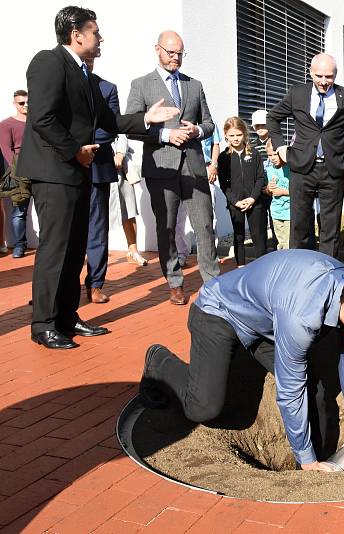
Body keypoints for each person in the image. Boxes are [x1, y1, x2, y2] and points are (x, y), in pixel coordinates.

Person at [139, 249, 344, 471]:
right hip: (220, 312)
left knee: (314, 384)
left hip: (265, 323)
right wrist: (306, 461)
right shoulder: (302, 317)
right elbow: (290, 390)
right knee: (205, 407)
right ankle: (159, 362)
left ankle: (320, 453)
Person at [17, 6, 178, 350]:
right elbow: (42, 119)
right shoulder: (48, 61)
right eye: (95, 31)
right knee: (55, 250)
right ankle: (43, 324)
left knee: (76, 249)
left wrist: (145, 118)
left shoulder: (86, 75)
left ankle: (67, 317)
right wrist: (75, 150)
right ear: (76, 35)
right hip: (55, 171)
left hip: (78, 172)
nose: (100, 38)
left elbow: (110, 120)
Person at [126, 30, 219, 306]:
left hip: (193, 165)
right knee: (166, 228)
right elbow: (132, 127)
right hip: (161, 167)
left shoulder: (194, 85)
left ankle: (213, 282)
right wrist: (165, 135)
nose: (176, 57)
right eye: (170, 52)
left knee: (204, 225)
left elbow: (210, 124)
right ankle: (175, 282)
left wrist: (197, 131)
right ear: (157, 49)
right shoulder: (141, 84)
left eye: (180, 53)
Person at [265, 53, 344, 257]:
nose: (324, 81)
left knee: (330, 228)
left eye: (329, 77)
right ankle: (300, 271)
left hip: (334, 169)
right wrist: (280, 148)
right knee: (300, 225)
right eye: (319, 76)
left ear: (336, 75)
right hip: (301, 167)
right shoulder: (297, 94)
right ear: (310, 73)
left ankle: (327, 273)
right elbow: (273, 118)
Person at [83, 56, 119, 304]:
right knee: (63, 232)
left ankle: (95, 283)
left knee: (96, 228)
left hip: (97, 166)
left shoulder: (107, 88)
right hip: (65, 167)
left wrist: (84, 144)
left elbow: (111, 126)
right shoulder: (62, 85)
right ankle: (57, 287)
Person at [218, 116, 267, 266]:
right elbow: (223, 184)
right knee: (238, 236)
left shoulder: (255, 154)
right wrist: (235, 201)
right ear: (226, 135)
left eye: (239, 135)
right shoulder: (223, 157)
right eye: (231, 135)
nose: (235, 139)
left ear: (244, 133)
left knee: (258, 236)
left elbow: (260, 178)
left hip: (255, 202)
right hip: (236, 204)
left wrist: (253, 198)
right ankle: (241, 267)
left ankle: (262, 267)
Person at [0, 90, 30, 258]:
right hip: (19, 170)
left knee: (45, 209)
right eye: (21, 103)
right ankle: (19, 245)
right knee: (19, 210)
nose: (25, 105)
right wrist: (18, 169)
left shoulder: (37, 122)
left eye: (27, 102)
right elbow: (6, 150)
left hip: (41, 167)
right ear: (14, 103)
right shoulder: (6, 124)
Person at [113, 135, 148, 266]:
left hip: (120, 168)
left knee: (129, 211)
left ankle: (133, 251)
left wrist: (120, 154)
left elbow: (121, 134)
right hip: (97, 165)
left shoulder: (113, 114)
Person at [263, 138, 291, 250]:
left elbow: (298, 191)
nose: (273, 158)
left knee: (289, 243)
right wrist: (268, 189)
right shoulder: (269, 170)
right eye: (270, 155)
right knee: (280, 243)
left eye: (275, 154)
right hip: (276, 212)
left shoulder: (290, 169)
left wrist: (283, 191)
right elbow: (265, 190)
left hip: (289, 212)